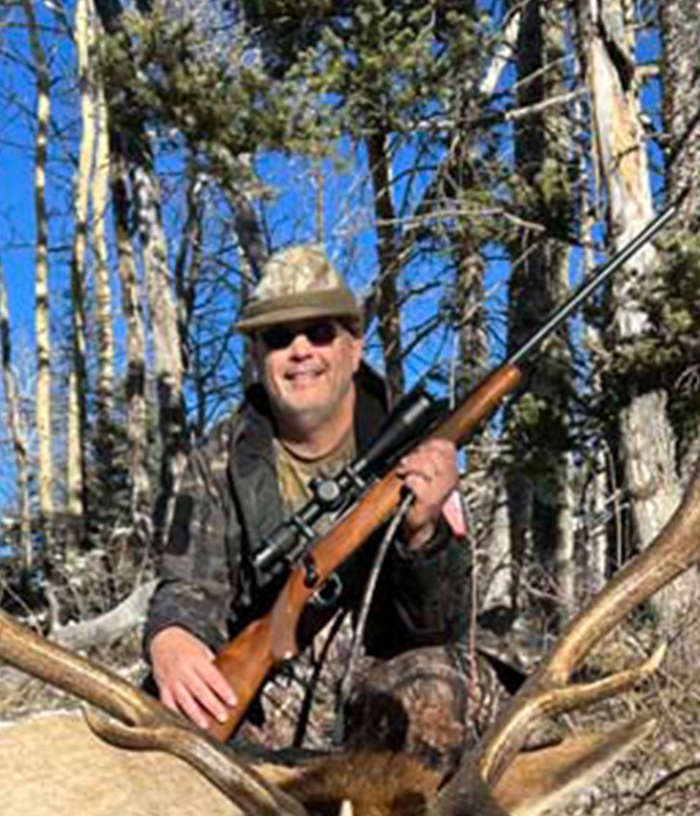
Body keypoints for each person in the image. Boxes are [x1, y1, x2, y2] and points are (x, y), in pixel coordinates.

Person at [143, 245, 501, 756]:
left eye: (320, 332)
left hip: (385, 687)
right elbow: (188, 585)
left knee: (440, 685)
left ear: (354, 349)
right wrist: (173, 638)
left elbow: (444, 626)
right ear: (258, 357)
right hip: (274, 700)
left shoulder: (418, 452)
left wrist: (424, 535)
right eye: (279, 338)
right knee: (168, 716)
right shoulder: (216, 460)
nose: (301, 350)